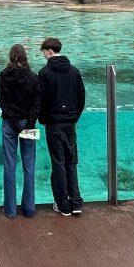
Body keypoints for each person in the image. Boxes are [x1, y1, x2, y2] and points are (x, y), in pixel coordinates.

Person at [38, 37, 86, 217]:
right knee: (71, 162)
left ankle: (62, 204)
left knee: (58, 163)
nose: (43, 56)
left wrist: (43, 119)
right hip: (70, 124)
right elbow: (81, 97)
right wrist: (74, 117)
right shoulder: (74, 71)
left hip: (53, 124)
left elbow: (41, 101)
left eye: (43, 52)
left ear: (49, 51)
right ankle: (76, 202)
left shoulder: (44, 73)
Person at [0, 43, 41, 219]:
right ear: (25, 57)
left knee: (9, 165)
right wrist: (29, 122)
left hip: (9, 125)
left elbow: (3, 103)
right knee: (29, 166)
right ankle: (29, 209)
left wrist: (15, 122)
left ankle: (10, 210)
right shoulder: (33, 77)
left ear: (10, 57)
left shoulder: (3, 76)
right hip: (28, 124)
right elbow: (37, 103)